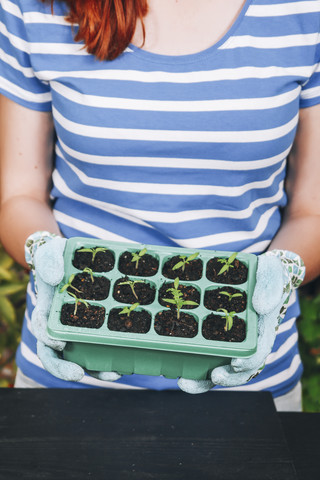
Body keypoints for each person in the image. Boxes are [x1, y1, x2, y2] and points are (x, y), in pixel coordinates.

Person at [0, 0, 319, 411]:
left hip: (247, 380)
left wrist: (283, 272)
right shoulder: (34, 8)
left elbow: (311, 210)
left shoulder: (304, 11)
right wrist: (42, 253)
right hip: (71, 366)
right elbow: (18, 196)